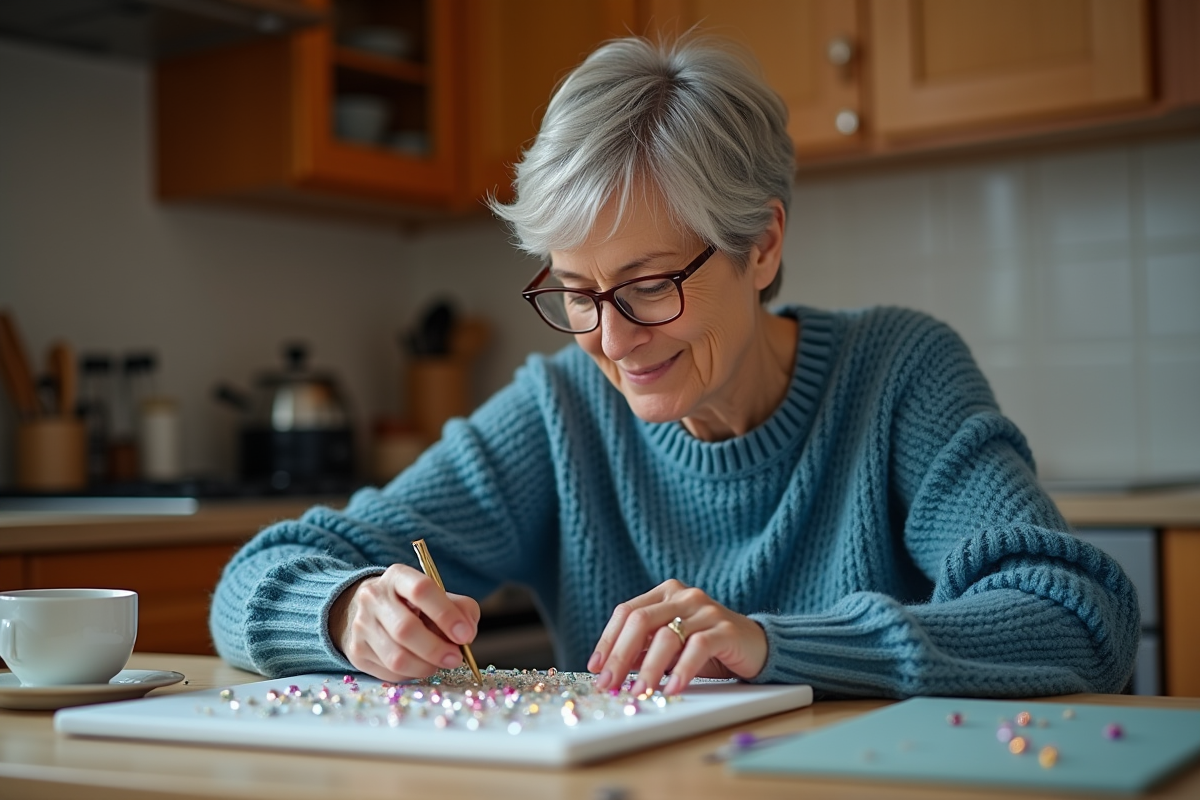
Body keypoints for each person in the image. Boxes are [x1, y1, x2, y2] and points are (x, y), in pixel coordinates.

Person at [210, 35, 1139, 699]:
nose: (611, 341)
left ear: (762, 244)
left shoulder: (898, 374)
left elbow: (1075, 616)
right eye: (576, 292)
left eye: (650, 286)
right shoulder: (561, 409)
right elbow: (257, 576)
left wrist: (772, 645)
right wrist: (345, 615)